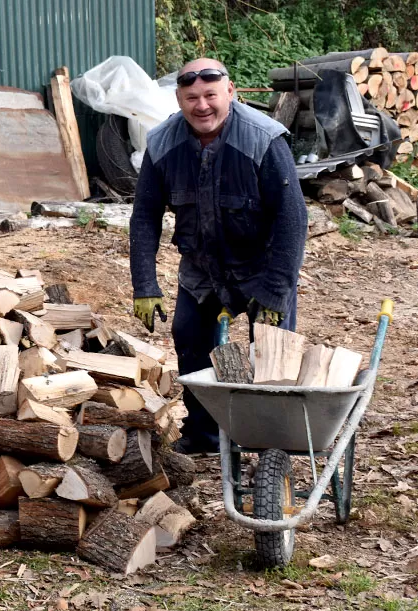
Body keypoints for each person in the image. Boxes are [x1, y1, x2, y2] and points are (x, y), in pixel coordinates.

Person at [129, 58, 307, 454]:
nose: (202, 105)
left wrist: (277, 289)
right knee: (190, 340)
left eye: (211, 95)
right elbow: (145, 216)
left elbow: (292, 218)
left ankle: (271, 441)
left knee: (272, 352)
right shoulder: (162, 144)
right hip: (201, 272)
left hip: (262, 271)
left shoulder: (263, 138)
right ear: (179, 99)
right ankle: (206, 435)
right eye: (191, 97)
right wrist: (145, 284)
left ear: (230, 92)